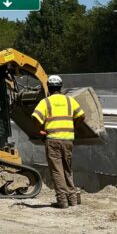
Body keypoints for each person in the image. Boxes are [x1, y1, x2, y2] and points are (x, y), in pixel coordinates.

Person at [31, 75, 85, 209]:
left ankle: (62, 201)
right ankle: (72, 199)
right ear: (61, 87)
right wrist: (74, 127)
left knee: (56, 171)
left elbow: (35, 118)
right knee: (67, 169)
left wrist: (41, 130)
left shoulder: (46, 102)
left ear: (48, 88)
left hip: (53, 140)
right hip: (68, 140)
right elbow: (81, 116)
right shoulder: (69, 101)